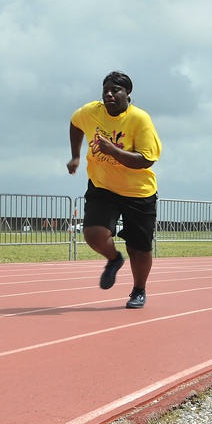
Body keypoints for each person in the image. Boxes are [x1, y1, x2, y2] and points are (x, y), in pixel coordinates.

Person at [67, 71, 162, 309]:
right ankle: (114, 259)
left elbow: (146, 160)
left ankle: (139, 290)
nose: (109, 94)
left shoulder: (140, 119)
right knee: (93, 234)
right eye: (105, 90)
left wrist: (114, 151)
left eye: (115, 90)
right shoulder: (91, 112)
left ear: (127, 94)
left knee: (139, 248)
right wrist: (76, 156)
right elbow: (75, 123)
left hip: (138, 191)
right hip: (103, 186)